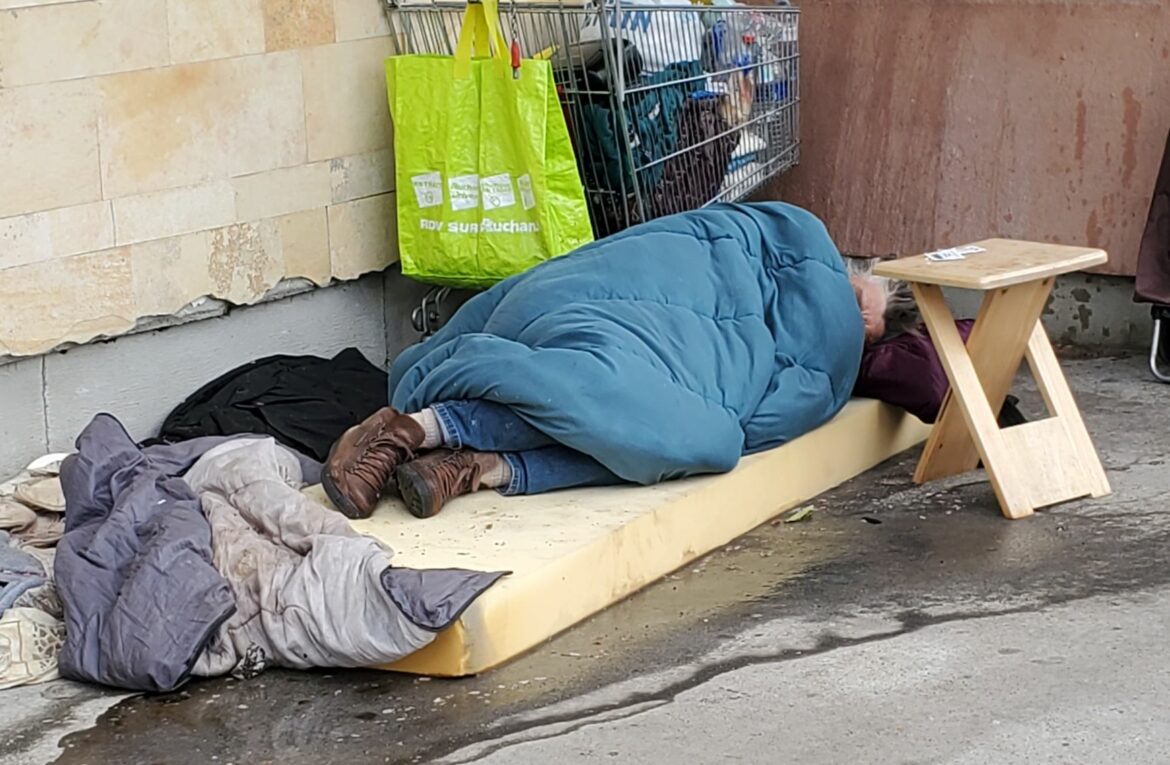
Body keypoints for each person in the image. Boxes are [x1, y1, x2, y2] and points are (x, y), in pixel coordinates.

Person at [321, 203, 889, 520]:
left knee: (667, 431)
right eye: (864, 303)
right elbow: (762, 422)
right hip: (605, 299)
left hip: (589, 323)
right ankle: (415, 431)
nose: (861, 315)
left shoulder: (830, 350)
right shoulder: (792, 236)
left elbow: (774, 410)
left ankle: (473, 466)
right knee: (692, 434)